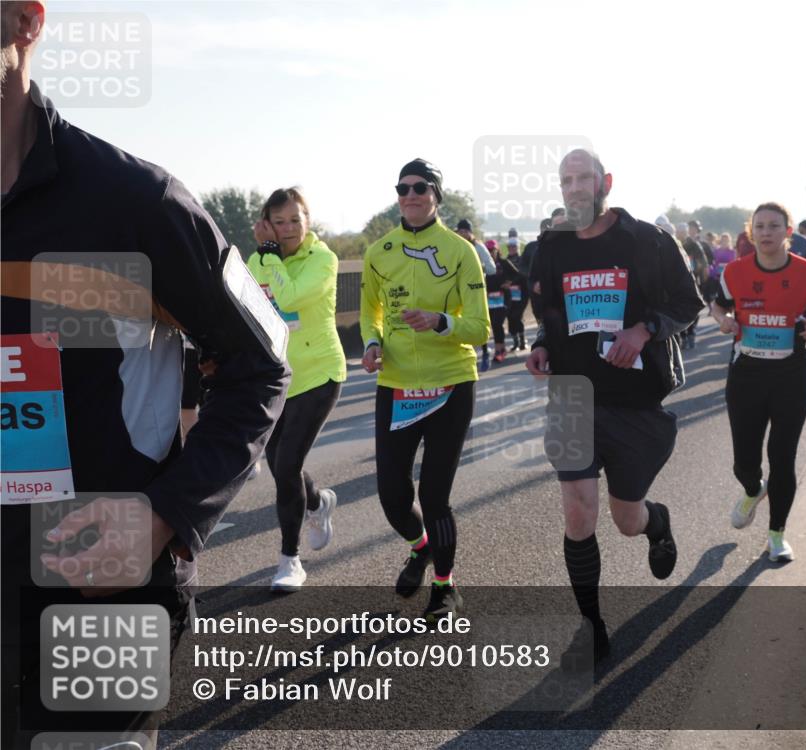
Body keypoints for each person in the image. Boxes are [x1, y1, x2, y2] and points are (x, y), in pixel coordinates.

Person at [1, 3, 289, 746]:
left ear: (25, 23)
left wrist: (167, 515)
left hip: (102, 588)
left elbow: (261, 363)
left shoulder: (136, 202)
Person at [526, 149, 703, 667]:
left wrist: (643, 329)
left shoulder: (647, 240)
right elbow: (550, 313)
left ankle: (656, 523)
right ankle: (591, 626)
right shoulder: (552, 247)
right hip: (572, 395)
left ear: (605, 182)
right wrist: (541, 345)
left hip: (635, 400)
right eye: (566, 181)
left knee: (626, 519)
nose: (575, 188)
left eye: (583, 179)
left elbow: (687, 304)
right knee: (579, 511)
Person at [360, 158, 489, 621]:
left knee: (434, 497)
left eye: (420, 187)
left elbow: (480, 329)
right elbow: (369, 312)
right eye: (403, 188)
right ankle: (420, 547)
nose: (410, 195)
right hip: (395, 384)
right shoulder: (379, 251)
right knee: (393, 496)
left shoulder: (459, 251)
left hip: (451, 383)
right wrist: (373, 342)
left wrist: (441, 322)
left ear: (436, 195)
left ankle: (445, 587)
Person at [710, 202, 806, 563]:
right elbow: (718, 306)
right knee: (743, 464)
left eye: (774, 226)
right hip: (747, 374)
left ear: (788, 232)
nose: (766, 232)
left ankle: (777, 535)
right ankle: (753, 489)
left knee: (783, 458)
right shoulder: (734, 272)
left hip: (792, 375)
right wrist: (724, 320)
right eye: (760, 226)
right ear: (752, 232)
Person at [248, 188, 347, 592]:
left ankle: (290, 561)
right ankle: (318, 502)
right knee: (281, 465)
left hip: (320, 375)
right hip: (277, 378)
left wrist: (270, 256)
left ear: (309, 219)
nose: (289, 229)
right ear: (266, 224)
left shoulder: (323, 259)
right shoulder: (254, 262)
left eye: (296, 219)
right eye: (280, 221)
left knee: (287, 464)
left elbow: (287, 295)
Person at [455, 220, 495, 371]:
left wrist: (475, 266)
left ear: (471, 232)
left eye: (466, 231)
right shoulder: (454, 245)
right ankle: (464, 356)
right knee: (460, 323)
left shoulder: (478, 247)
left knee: (478, 323)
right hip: (457, 291)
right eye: (460, 231)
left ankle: (485, 352)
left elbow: (491, 269)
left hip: (476, 290)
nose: (463, 234)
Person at [485, 239, 520, 363]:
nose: (490, 252)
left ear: (497, 250)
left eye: (492, 250)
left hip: (503, 298)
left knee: (497, 322)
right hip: (489, 299)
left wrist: (509, 283)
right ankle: (500, 349)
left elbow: (518, 274)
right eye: (487, 250)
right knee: (494, 324)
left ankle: (499, 350)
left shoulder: (504, 263)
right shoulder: (484, 264)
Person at [504, 234, 529, 351]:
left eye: (514, 246)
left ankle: (523, 340)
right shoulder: (505, 261)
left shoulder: (522, 259)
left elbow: (523, 274)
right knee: (510, 316)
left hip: (522, 292)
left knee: (517, 316)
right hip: (509, 294)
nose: (511, 248)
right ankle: (515, 342)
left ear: (518, 247)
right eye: (509, 246)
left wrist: (513, 282)